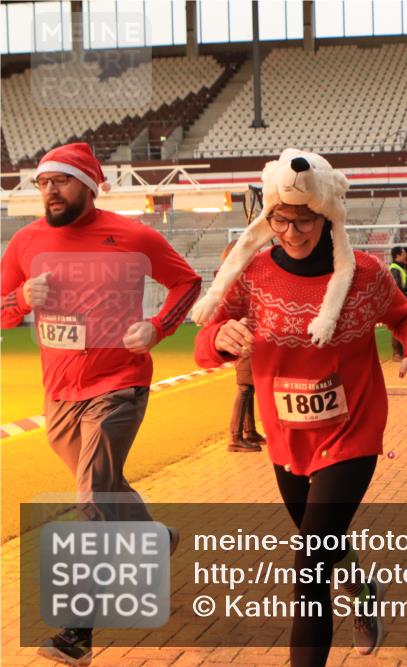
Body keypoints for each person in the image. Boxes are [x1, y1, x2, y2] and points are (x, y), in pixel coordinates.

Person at [192, 149, 407, 664]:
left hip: (352, 431)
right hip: (286, 434)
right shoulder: (251, 273)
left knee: (309, 565)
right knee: (321, 548)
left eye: (304, 220)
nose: (293, 232)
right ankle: (364, 589)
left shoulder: (366, 274)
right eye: (281, 220)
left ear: (327, 216)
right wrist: (222, 335)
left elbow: (406, 317)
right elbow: (205, 342)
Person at [0, 142, 201, 665]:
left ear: (89, 185)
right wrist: (23, 301)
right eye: (43, 182)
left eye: (62, 182)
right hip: (60, 393)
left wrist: (158, 327)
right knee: (106, 488)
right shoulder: (25, 243)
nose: (50, 190)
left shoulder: (133, 235)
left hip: (119, 384)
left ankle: (78, 629)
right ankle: (152, 540)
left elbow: (187, 281)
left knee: (91, 496)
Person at [219, 239, 265, 453]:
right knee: (245, 388)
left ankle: (249, 431)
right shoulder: (236, 282)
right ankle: (235, 438)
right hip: (245, 340)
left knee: (250, 387)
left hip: (249, 339)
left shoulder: (238, 280)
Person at [388, 246, 407, 362]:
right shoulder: (394, 269)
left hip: (405, 302)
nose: (405, 255)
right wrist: (404, 302)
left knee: (405, 328)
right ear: (397, 256)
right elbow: (396, 288)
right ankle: (397, 354)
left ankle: (403, 352)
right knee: (398, 328)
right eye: (403, 253)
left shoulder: (400, 268)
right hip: (400, 304)